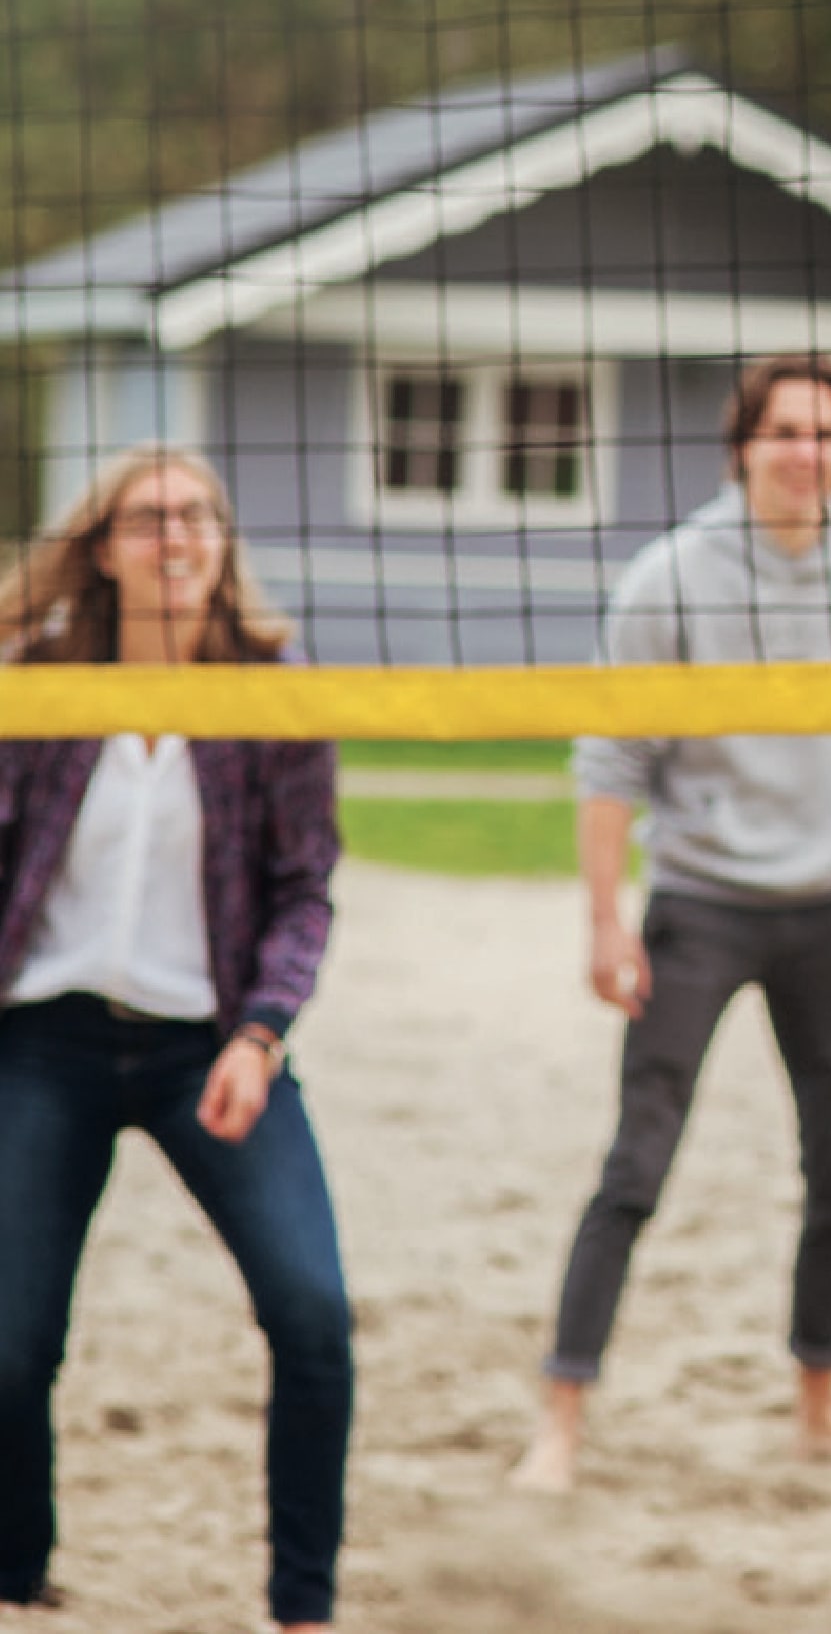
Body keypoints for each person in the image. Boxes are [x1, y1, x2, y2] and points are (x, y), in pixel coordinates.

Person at [513, 353, 831, 1492]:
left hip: (825, 912)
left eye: (828, 434)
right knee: (638, 1165)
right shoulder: (671, 579)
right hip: (697, 906)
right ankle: (563, 1414)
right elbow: (610, 757)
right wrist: (606, 922)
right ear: (742, 446)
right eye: (785, 431)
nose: (808, 452)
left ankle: (818, 1405)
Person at [0, 445, 350, 1633]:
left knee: (313, 1316)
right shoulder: (39, 683)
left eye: (199, 513)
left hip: (211, 1046)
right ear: (103, 546)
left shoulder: (272, 686)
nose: (178, 534)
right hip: (43, 1041)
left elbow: (306, 889)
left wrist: (261, 1033)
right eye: (149, 517)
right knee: (9, 1343)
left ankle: (302, 1608)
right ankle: (16, 1578)